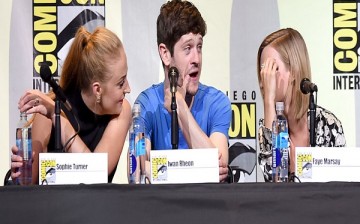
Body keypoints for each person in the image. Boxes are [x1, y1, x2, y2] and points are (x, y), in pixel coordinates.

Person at [11, 26, 132, 184]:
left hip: (99, 208)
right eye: (121, 83)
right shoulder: (48, 112)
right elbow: (26, 186)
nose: (128, 89)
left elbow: (96, 174)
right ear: (97, 89)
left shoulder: (122, 110)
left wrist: (60, 120)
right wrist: (19, 169)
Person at [134, 0, 231, 182]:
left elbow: (218, 167)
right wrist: (195, 169)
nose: (197, 59)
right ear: (165, 54)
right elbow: (136, 168)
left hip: (207, 208)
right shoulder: (146, 104)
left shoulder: (218, 102)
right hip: (162, 209)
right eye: (188, 48)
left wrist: (180, 107)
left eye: (199, 47)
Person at [257, 28, 346, 182]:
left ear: (293, 71)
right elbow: (272, 181)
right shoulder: (268, 126)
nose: (265, 79)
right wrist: (268, 100)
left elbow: (341, 191)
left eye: (272, 68)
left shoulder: (328, 125)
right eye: (263, 71)